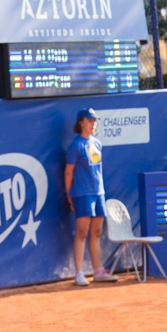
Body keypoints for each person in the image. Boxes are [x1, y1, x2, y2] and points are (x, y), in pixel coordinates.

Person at [65, 108, 119, 287]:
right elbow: (68, 172)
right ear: (81, 122)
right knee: (82, 232)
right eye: (90, 120)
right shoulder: (76, 146)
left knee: (96, 232)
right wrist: (69, 194)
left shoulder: (97, 143)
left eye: (94, 121)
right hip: (82, 193)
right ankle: (79, 273)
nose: (93, 123)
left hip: (98, 193)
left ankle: (98, 270)